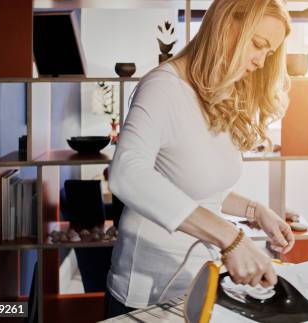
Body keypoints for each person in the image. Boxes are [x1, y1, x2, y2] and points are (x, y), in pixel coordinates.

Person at [104, 0, 294, 318]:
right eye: (259, 45)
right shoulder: (162, 88)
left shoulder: (216, 93)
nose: (261, 61)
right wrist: (231, 238)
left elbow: (195, 186)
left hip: (198, 288)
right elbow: (126, 173)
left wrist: (256, 211)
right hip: (147, 297)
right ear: (225, 24)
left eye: (269, 53)